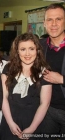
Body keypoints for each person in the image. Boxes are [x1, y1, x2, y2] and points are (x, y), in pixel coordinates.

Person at [0, 33, 52, 140]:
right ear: (17, 51)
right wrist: (10, 123)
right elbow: (3, 97)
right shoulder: (8, 68)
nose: (27, 53)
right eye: (23, 49)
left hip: (34, 123)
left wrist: (32, 129)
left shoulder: (45, 71)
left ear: (37, 50)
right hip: (10, 120)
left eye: (31, 49)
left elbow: (44, 104)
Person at [40, 3, 65, 137]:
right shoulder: (39, 45)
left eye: (58, 19)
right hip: (47, 111)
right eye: (49, 19)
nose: (53, 24)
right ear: (44, 23)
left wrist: (61, 79)